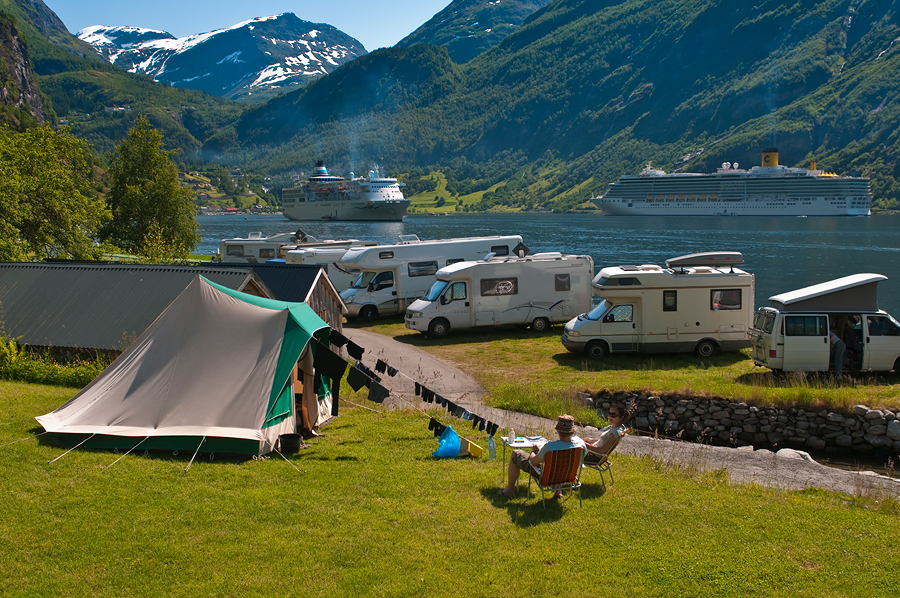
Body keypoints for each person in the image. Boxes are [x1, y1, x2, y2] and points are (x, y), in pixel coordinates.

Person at [498, 414, 586, 499]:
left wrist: (534, 451)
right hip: (568, 475)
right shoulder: (580, 444)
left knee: (515, 453)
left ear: (558, 431)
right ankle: (558, 490)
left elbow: (533, 462)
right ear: (573, 431)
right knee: (564, 462)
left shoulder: (550, 447)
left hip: (548, 477)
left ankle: (509, 490)